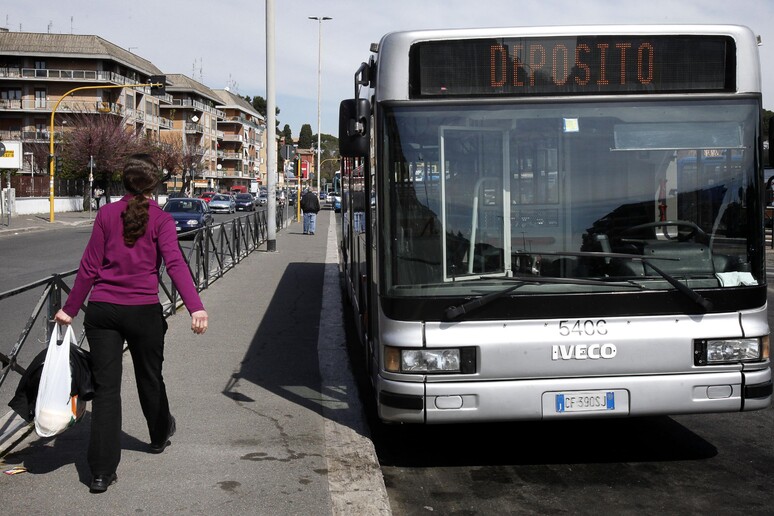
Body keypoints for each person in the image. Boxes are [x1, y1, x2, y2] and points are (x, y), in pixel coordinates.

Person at [54, 154, 208, 494]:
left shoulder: (107, 214)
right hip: (143, 312)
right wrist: (195, 307)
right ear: (154, 185)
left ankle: (100, 473)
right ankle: (158, 436)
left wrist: (69, 309)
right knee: (149, 378)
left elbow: (89, 267)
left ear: (124, 183)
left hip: (103, 312)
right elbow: (176, 265)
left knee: (107, 391)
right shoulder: (161, 220)